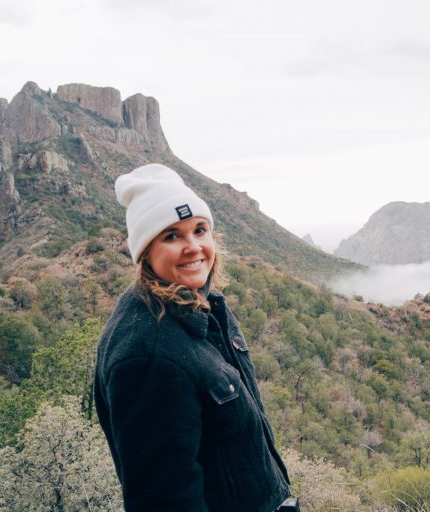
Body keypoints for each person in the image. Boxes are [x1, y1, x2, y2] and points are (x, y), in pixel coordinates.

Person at [93, 163, 294, 512]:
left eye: (199, 230)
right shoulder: (147, 355)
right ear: (145, 251)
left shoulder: (205, 306)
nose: (193, 247)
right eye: (172, 235)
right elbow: (164, 500)